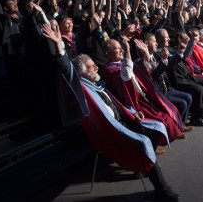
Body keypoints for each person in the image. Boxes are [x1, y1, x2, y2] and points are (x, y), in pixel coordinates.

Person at [42, 24, 180, 201]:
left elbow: (117, 104)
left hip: (122, 122)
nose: (97, 68)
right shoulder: (82, 90)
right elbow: (69, 71)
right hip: (110, 132)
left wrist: (131, 112)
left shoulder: (98, 85)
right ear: (82, 73)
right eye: (92, 67)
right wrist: (60, 49)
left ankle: (145, 167)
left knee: (155, 129)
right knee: (143, 142)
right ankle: (163, 190)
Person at [101, 38, 185, 142]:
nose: (122, 50)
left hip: (143, 96)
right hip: (133, 102)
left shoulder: (121, 64)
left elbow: (145, 73)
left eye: (121, 48)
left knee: (170, 109)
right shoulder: (109, 70)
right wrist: (127, 50)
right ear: (107, 53)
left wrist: (145, 55)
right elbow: (126, 75)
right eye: (118, 48)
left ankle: (173, 132)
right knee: (163, 119)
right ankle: (158, 142)